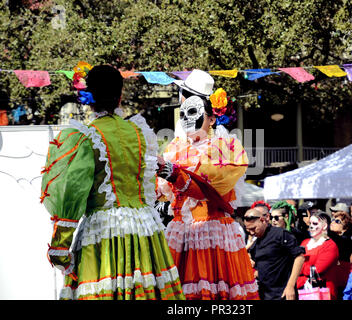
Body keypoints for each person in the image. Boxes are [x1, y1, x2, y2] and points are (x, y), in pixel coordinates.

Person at [41, 65, 184, 300]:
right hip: (145, 229)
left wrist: (60, 248)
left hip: (103, 231)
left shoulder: (84, 137)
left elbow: (71, 195)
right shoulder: (140, 133)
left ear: (91, 98)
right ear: (120, 96)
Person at [156, 70, 258, 300]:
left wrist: (172, 174)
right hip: (180, 231)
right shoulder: (175, 147)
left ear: (211, 118)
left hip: (211, 232)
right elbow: (160, 191)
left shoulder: (227, 148)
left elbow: (209, 189)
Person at [244, 208, 305, 300]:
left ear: (262, 220)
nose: (252, 232)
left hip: (283, 293)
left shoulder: (280, 234)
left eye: (253, 228)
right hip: (265, 294)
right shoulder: (255, 244)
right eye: (248, 230)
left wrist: (290, 286)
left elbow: (300, 257)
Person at [297, 212, 340, 300]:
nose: (311, 227)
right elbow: (295, 262)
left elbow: (317, 270)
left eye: (315, 223)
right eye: (310, 223)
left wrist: (300, 267)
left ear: (324, 226)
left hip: (322, 291)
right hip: (303, 290)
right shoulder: (305, 243)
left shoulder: (330, 245)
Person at [329, 211, 352, 299]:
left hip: (342, 282)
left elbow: (337, 240)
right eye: (332, 220)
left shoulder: (346, 240)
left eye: (337, 221)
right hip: (333, 280)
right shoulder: (331, 238)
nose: (333, 222)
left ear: (345, 228)